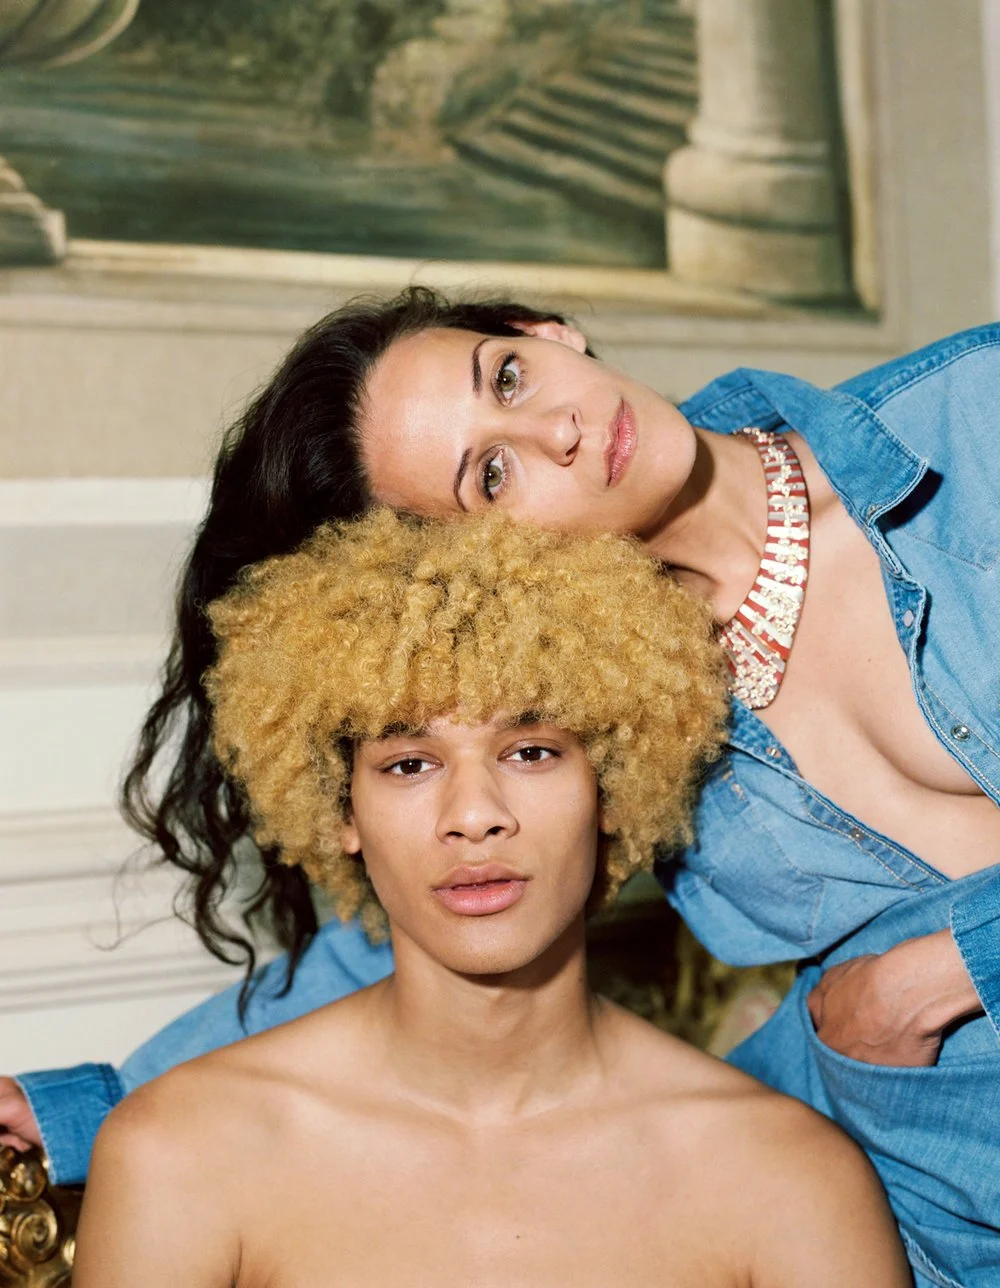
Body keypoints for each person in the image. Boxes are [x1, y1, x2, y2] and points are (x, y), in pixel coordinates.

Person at [4, 288, 998, 1286]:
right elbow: (426, 918)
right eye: (490, 474)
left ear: (544, 332)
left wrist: (931, 975)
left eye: (507, 377)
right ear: (476, 557)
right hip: (942, 1205)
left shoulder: (974, 417)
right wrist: (93, 1106)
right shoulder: (621, 691)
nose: (558, 430)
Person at [72, 510, 909, 1288]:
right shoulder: (180, 1155)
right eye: (409, 764)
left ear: (612, 787)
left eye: (532, 752)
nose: (474, 816)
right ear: (341, 811)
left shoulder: (786, 1179)